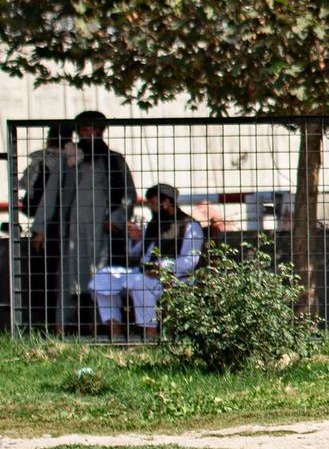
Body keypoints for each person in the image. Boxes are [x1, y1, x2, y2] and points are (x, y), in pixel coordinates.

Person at [90, 184, 204, 338]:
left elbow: (191, 260)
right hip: (143, 272)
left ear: (166, 202)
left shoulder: (190, 226)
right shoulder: (153, 224)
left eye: (153, 203)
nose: (150, 207)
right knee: (103, 277)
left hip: (172, 278)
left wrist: (163, 267)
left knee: (141, 283)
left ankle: (150, 334)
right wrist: (136, 240)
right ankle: (115, 332)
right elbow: (139, 253)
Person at [61, 110, 136, 335]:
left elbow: (128, 195)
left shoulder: (114, 159)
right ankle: (69, 330)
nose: (90, 134)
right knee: (73, 283)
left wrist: (117, 219)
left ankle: (106, 329)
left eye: (94, 130)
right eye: (85, 130)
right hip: (74, 233)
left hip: (104, 234)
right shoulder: (70, 160)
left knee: (104, 281)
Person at [21, 124, 80, 330]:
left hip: (52, 228)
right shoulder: (78, 158)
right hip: (76, 225)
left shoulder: (44, 161)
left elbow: (34, 198)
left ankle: (51, 323)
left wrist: (40, 229)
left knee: (49, 277)